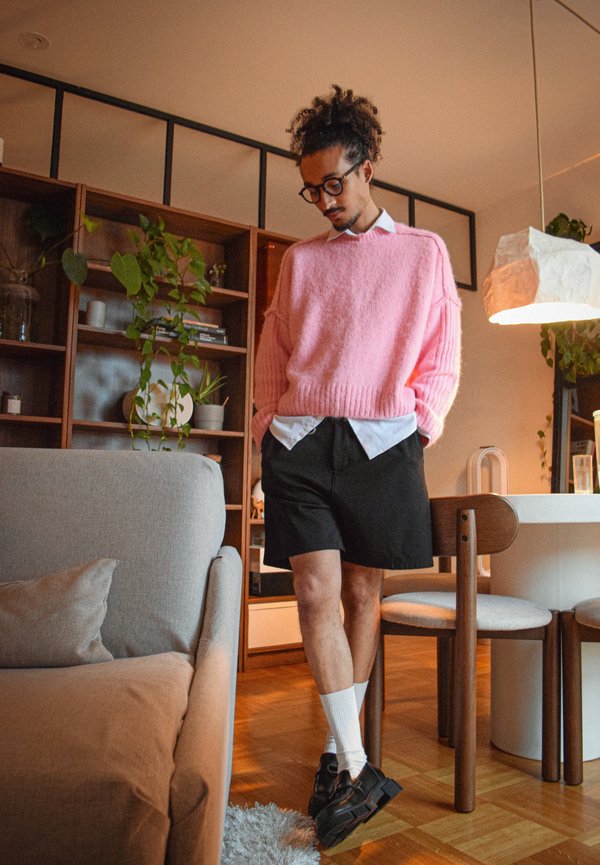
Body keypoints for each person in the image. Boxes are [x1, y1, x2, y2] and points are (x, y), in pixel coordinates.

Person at [252, 84, 461, 849]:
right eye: (311, 189)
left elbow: (441, 356)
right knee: (316, 589)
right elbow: (275, 352)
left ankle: (340, 761)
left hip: (382, 443)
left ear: (369, 166)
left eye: (334, 183)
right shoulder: (299, 261)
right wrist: (264, 428)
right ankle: (357, 759)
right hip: (303, 441)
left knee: (363, 596)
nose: (323, 200)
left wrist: (421, 426)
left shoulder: (424, 253)